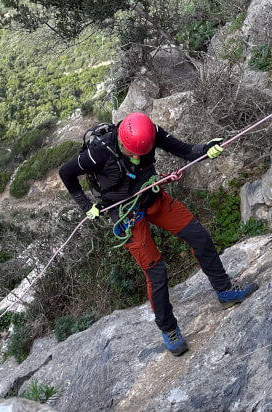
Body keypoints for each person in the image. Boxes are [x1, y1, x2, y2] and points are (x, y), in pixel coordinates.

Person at [58, 112, 259, 356]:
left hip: (153, 198)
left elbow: (184, 150)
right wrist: (85, 204)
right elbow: (66, 172)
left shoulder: (150, 132)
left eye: (141, 155)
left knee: (199, 236)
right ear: (122, 143)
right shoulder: (99, 152)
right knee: (156, 271)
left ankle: (225, 291)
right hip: (126, 214)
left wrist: (206, 149)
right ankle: (168, 329)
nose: (136, 158)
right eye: (132, 154)